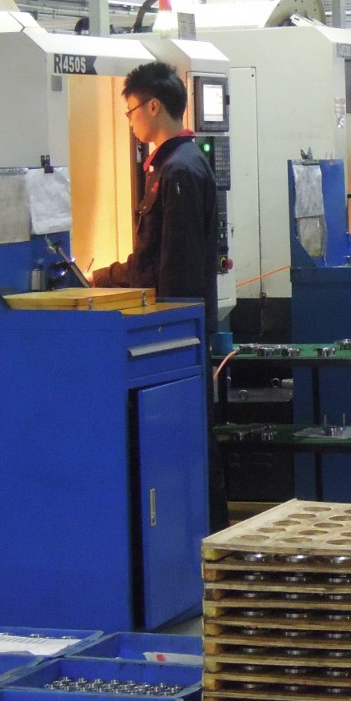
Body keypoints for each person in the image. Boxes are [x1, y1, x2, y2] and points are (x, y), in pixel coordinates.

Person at [93, 61, 227, 529]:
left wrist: (101, 280)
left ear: (153, 106)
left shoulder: (178, 171)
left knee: (187, 448)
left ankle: (202, 540)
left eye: (130, 110)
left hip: (176, 336)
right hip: (180, 334)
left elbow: (172, 267)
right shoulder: (180, 165)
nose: (129, 121)